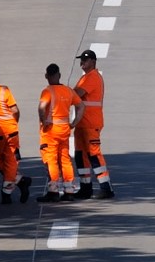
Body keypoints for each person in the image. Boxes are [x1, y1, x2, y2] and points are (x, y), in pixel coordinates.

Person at [0, 63, 31, 204]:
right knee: (10, 162)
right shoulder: (4, 90)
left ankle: (7, 193)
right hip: (11, 131)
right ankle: (20, 182)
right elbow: (15, 111)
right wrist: (14, 123)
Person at [72, 49, 113, 199]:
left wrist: (61, 94)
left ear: (93, 62)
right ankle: (85, 188)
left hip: (91, 123)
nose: (82, 62)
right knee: (80, 155)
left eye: (85, 60)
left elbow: (77, 94)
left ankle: (106, 188)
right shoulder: (85, 77)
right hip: (82, 123)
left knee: (94, 154)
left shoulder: (93, 77)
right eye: (81, 59)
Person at [37, 62, 80, 201]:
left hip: (51, 131)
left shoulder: (47, 91)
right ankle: (69, 191)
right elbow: (81, 106)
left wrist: (44, 120)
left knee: (51, 160)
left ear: (46, 76)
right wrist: (74, 122)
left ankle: (53, 191)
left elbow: (42, 107)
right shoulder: (68, 91)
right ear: (59, 75)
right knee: (65, 159)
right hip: (64, 130)